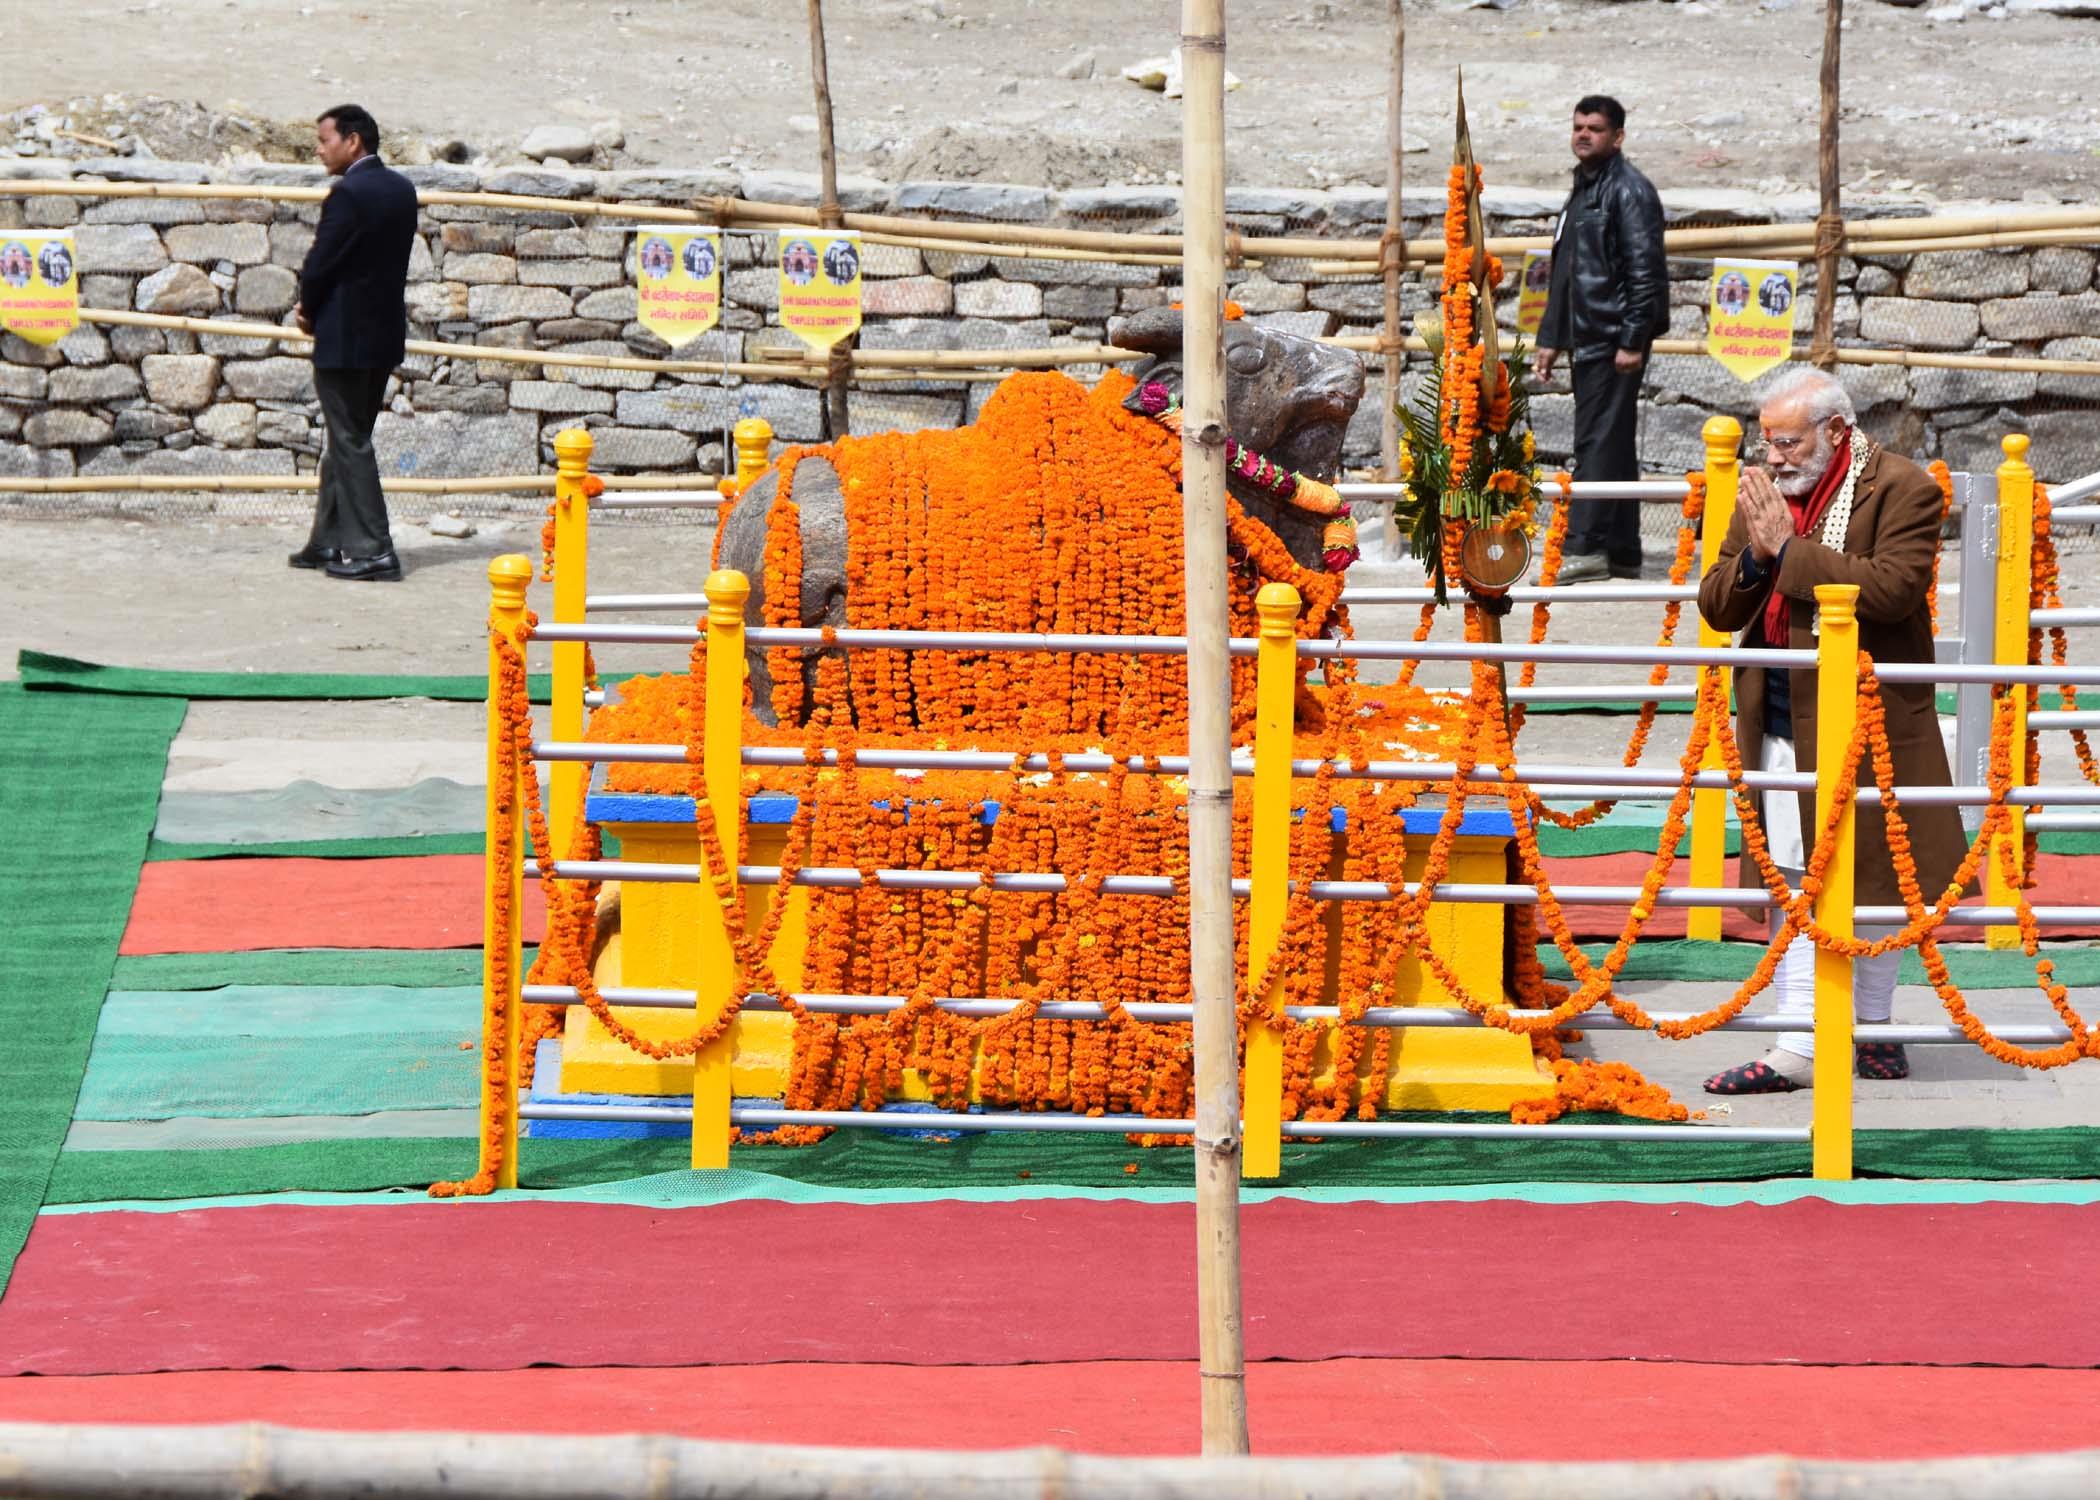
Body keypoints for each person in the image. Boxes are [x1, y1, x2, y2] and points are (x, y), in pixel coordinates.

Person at [1695, 368, 1966, 1093]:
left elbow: (1892, 588)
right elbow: (1717, 605)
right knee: (1794, 878)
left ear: (1837, 432)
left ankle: (1874, 1027)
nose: (1774, 456)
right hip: (1783, 715)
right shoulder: (1763, 495)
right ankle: (1798, 1046)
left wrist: (1789, 551)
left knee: (1878, 880)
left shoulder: (1905, 487)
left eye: (1788, 442)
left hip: (1874, 718)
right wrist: (1757, 554)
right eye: (1768, 441)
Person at [1531, 94, 1668, 584]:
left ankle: (1586, 548)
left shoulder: (1628, 191)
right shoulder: (1585, 188)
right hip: (1589, 337)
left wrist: (1632, 339)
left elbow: (1645, 272)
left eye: (1595, 128)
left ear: (1618, 137)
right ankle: (1622, 550)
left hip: (1613, 341)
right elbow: (1566, 270)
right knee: (1612, 446)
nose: (1583, 134)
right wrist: (1551, 338)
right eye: (1577, 127)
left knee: (1594, 444)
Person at [290, 103, 419, 582]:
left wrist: (306, 308)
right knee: (348, 440)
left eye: (325, 140)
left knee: (349, 440)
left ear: (353, 141)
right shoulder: (401, 189)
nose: (320, 150)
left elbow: (321, 262)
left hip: (344, 338)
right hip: (383, 335)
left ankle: (374, 550)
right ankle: (327, 540)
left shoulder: (348, 194)